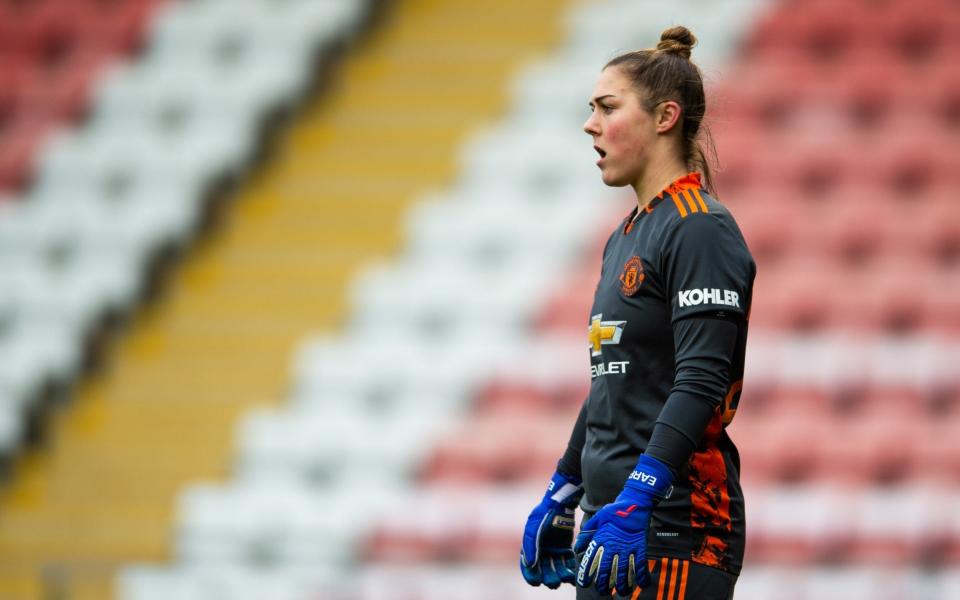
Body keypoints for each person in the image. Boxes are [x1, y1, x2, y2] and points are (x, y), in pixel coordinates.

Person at [519, 26, 755, 600]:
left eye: (606, 107)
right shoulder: (625, 235)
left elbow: (701, 380)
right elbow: (613, 382)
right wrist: (565, 484)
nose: (590, 124)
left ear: (664, 117)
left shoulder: (700, 228)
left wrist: (641, 494)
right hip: (611, 528)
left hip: (674, 530)